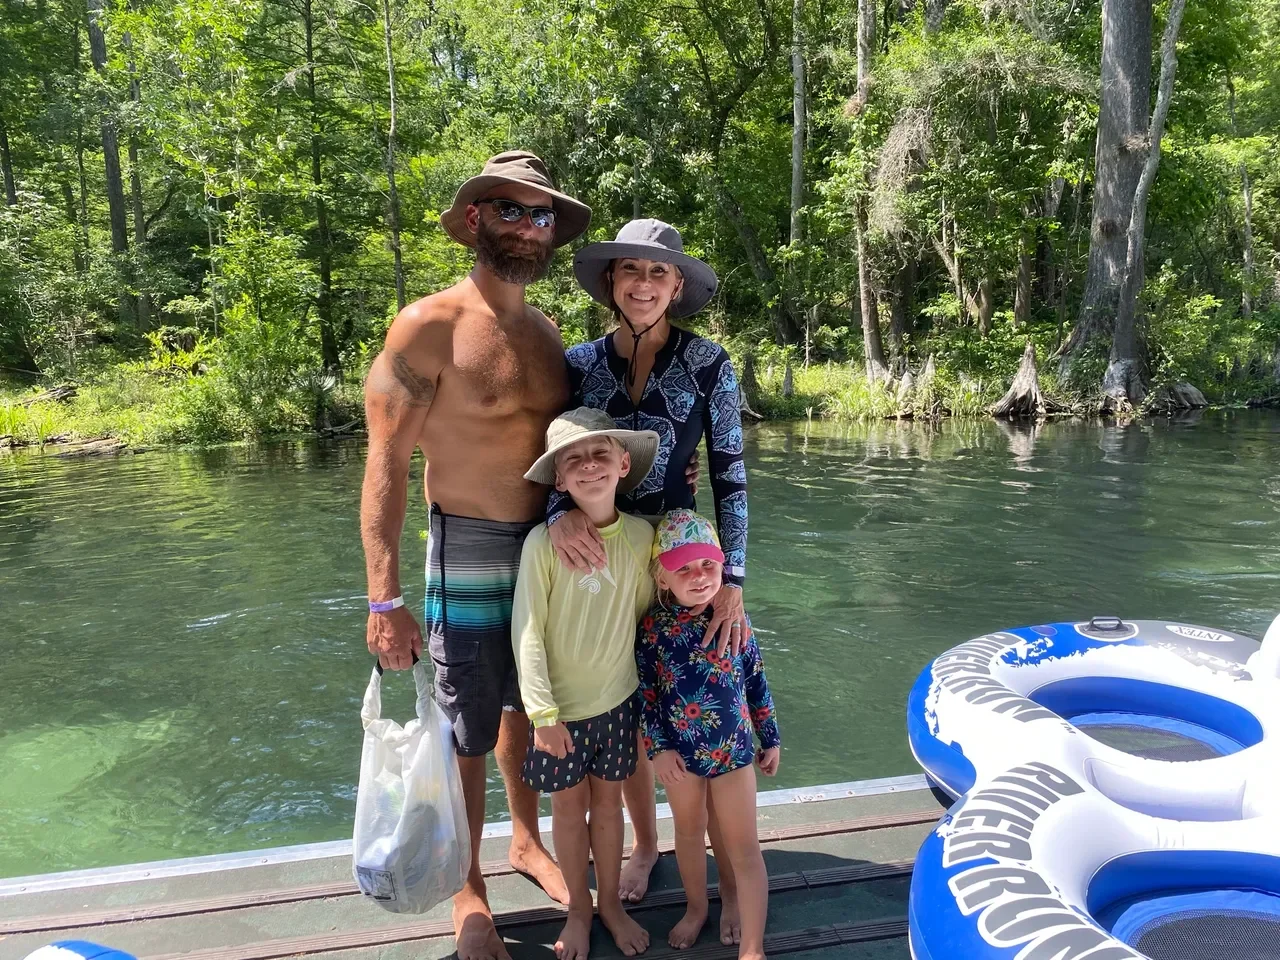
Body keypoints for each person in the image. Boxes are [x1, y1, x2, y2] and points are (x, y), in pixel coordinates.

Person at [359, 150, 592, 960]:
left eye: (540, 215)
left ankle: (526, 842)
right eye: (509, 211)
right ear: (472, 220)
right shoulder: (428, 326)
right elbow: (386, 465)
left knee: (532, 705)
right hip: (465, 540)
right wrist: (384, 597)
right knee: (467, 720)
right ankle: (469, 890)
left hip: (548, 546)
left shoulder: (548, 332)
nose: (529, 228)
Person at [548, 218, 751, 900]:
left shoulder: (709, 364)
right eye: (630, 270)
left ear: (678, 285)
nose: (643, 283)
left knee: (701, 691)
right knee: (627, 703)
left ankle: (723, 842)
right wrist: (559, 516)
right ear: (611, 282)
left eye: (658, 272)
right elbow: (554, 460)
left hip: (680, 564)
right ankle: (645, 843)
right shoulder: (577, 365)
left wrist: (736, 581)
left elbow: (731, 475)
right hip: (601, 555)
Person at [511, 407, 661, 960]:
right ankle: (579, 908)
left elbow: (645, 617)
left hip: (619, 706)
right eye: (574, 459)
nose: (589, 467)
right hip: (561, 717)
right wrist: (543, 717)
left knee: (609, 809)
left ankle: (613, 907)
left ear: (624, 464)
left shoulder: (644, 538)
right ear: (558, 478)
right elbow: (525, 632)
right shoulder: (540, 547)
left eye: (601, 454)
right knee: (568, 812)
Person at [636, 510, 780, 960]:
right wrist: (657, 751)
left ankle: (749, 940)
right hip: (680, 757)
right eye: (684, 569)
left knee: (743, 847)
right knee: (688, 831)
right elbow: (646, 697)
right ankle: (697, 906)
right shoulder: (653, 631)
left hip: (734, 754)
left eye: (708, 566)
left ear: (722, 567)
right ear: (662, 578)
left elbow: (755, 679)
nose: (698, 577)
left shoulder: (736, 619)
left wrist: (769, 736)